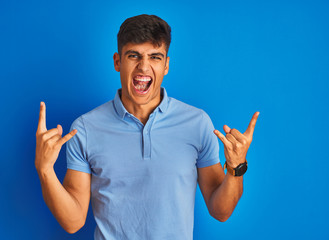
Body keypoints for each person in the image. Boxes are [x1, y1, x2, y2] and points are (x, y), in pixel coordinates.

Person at [35, 14, 259, 240]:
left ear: (166, 65)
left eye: (155, 57)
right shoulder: (84, 129)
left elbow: (220, 211)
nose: (144, 67)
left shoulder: (197, 123)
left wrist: (235, 167)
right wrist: (45, 171)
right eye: (134, 56)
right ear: (117, 61)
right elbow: (73, 222)